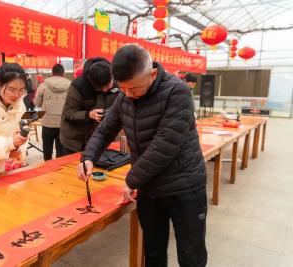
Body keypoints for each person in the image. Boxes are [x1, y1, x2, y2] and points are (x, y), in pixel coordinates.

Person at [77, 45, 207, 267]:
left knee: (191, 254)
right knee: (153, 252)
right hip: (149, 187)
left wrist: (131, 179)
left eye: (134, 89)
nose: (128, 95)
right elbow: (105, 129)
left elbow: (164, 145)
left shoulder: (178, 92)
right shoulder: (126, 96)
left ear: (153, 74)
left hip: (184, 186)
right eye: (123, 88)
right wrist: (88, 156)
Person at [60, 57, 118, 155]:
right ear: (92, 82)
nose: (106, 90)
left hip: (99, 138)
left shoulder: (116, 80)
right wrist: (89, 114)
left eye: (109, 85)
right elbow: (68, 113)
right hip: (75, 140)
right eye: (101, 87)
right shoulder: (79, 85)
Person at [34, 63, 71, 161]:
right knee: (61, 153)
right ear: (63, 74)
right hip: (63, 123)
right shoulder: (70, 85)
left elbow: (37, 103)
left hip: (47, 123)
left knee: (47, 152)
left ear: (52, 73)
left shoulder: (43, 85)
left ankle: (47, 171)